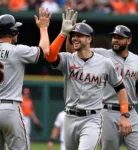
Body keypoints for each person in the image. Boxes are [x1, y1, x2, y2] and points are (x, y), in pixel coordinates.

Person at [46, 9, 132, 150]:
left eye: (80, 35)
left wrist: (124, 114)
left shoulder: (105, 63)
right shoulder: (68, 59)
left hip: (92, 119)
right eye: (73, 35)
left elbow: (120, 89)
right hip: (69, 117)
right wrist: (63, 34)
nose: (75, 38)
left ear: (89, 39)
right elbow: (50, 56)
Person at [66, 24, 138, 150]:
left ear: (129, 40)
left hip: (130, 112)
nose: (115, 40)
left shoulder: (136, 60)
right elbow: (73, 53)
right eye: (114, 37)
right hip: (107, 111)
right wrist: (71, 35)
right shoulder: (102, 54)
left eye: (120, 37)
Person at [0, 7, 51, 150]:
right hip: (9, 108)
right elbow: (45, 51)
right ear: (12, 32)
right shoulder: (17, 51)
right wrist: (43, 28)